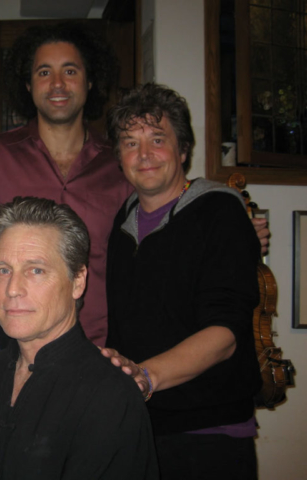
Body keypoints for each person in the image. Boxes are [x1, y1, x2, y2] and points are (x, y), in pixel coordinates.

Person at [0, 22, 270, 347]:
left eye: (70, 71)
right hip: (16, 346)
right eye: (44, 72)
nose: (57, 84)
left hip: (104, 348)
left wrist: (230, 232)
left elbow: (164, 217)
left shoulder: (123, 163)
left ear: (90, 81)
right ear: (28, 84)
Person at [103, 83, 262, 479]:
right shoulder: (123, 222)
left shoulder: (219, 212)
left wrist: (145, 376)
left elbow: (225, 334)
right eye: (130, 143)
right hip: (140, 427)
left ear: (183, 150)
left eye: (158, 139)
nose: (144, 154)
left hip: (209, 432)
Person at [0, 197, 158, 480]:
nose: (12, 289)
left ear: (78, 281)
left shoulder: (110, 396)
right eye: (3, 270)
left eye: (36, 270)